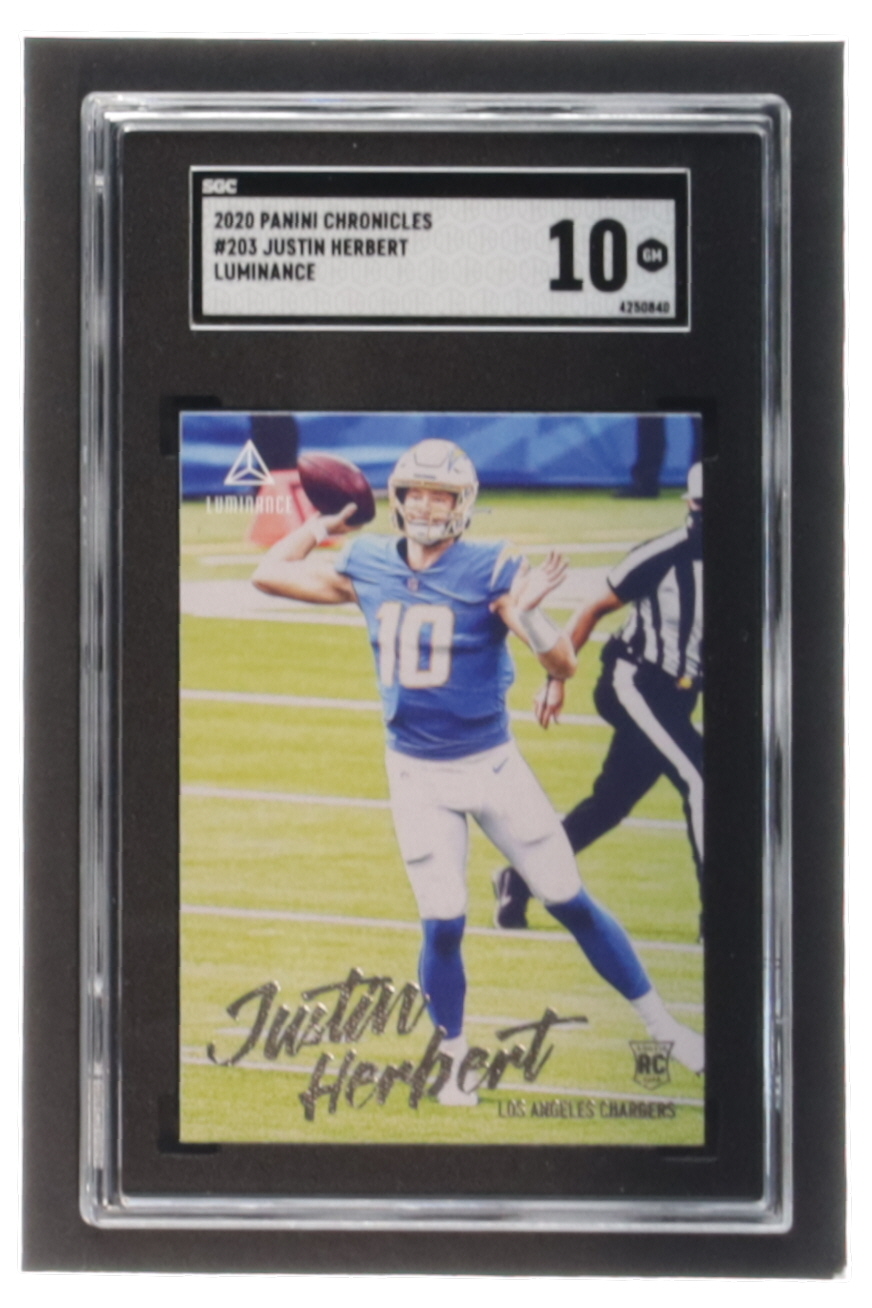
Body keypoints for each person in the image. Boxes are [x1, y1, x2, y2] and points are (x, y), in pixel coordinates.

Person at [253, 439, 704, 1106]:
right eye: (415, 493)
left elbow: (563, 664)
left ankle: (665, 1028)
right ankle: (453, 1061)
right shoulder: (368, 562)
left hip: (493, 766)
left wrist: (529, 615)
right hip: (416, 773)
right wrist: (319, 525)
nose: (426, 507)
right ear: (397, 499)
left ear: (463, 504)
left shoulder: (493, 567)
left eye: (441, 496)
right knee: (442, 920)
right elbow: (268, 573)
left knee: (568, 899)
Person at [494, 462, 704, 941]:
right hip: (635, 682)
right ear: (691, 505)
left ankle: (519, 880)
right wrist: (556, 678)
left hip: (678, 696)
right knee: (700, 779)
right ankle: (719, 918)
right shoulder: (662, 554)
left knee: (611, 802)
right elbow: (592, 608)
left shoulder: (755, 552)